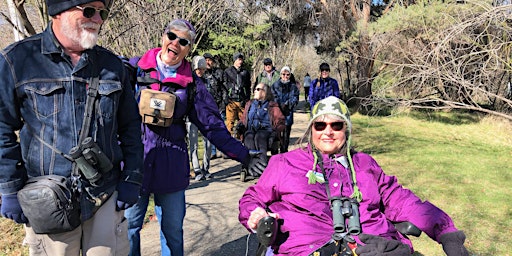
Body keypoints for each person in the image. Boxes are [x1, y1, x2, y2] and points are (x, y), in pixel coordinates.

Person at [239, 96, 469, 256]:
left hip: (373, 247)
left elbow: (403, 201)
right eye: (320, 125)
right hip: (306, 248)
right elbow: (252, 199)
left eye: (336, 125)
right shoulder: (285, 163)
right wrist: (255, 214)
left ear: (346, 130)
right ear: (311, 130)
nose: (327, 131)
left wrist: (447, 233)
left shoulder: (365, 164)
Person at [0, 0, 143, 255]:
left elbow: (131, 127)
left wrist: (132, 177)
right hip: (46, 199)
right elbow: (1, 129)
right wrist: (10, 188)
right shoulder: (17, 60)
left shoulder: (112, 66)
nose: (98, 19)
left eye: (102, 13)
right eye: (89, 11)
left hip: (104, 196)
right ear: (58, 12)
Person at [124, 20, 250, 256]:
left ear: (189, 48)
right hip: (134, 163)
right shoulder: (134, 69)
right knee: (128, 229)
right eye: (172, 36)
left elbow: (212, 127)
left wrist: (244, 155)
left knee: (172, 232)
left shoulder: (193, 85)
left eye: (183, 41)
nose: (175, 44)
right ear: (163, 36)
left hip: (171, 164)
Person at [238, 83, 285, 176]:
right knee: (249, 137)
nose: (255, 91)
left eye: (258, 89)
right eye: (255, 89)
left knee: (259, 137)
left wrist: (275, 133)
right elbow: (243, 119)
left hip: (266, 131)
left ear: (264, 92)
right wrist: (239, 126)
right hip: (251, 130)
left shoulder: (272, 105)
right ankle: (249, 165)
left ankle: (262, 166)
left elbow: (281, 121)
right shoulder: (250, 104)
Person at [187, 56, 214, 181]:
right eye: (198, 69)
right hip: (192, 117)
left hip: (206, 117)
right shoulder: (189, 81)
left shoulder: (208, 81)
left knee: (208, 144)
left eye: (202, 69)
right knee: (194, 144)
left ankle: (206, 168)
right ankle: (197, 169)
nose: (201, 72)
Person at [203, 52, 227, 159]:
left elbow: (224, 89)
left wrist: (224, 102)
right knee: (209, 130)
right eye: (206, 60)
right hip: (206, 107)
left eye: (210, 60)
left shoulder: (219, 73)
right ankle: (212, 152)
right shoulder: (200, 75)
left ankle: (222, 149)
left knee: (221, 129)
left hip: (219, 106)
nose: (208, 62)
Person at [271, 66, 300, 153]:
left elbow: (295, 98)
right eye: (283, 74)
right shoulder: (275, 85)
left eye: (287, 75)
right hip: (277, 113)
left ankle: (284, 152)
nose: (285, 76)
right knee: (276, 134)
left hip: (288, 113)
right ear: (280, 75)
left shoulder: (293, 87)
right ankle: (275, 154)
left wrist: (288, 104)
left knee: (286, 135)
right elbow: (273, 96)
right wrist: (279, 105)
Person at [224, 52, 251, 139]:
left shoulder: (245, 72)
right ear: (235, 60)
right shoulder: (228, 71)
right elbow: (224, 86)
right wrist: (226, 98)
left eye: (241, 60)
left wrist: (247, 99)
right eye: (239, 59)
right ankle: (228, 143)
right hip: (231, 101)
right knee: (230, 123)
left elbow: (248, 87)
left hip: (242, 101)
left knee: (243, 123)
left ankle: (242, 141)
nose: (240, 61)